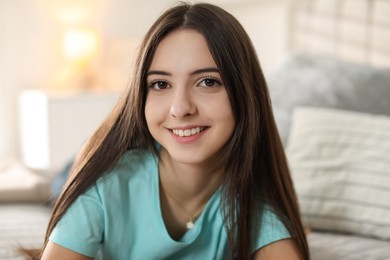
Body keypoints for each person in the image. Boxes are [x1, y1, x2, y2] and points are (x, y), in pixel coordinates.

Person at [36, 2, 309, 259]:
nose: (180, 108)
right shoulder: (103, 184)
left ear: (244, 94)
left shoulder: (255, 208)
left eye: (207, 81)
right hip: (93, 163)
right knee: (63, 181)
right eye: (160, 84)